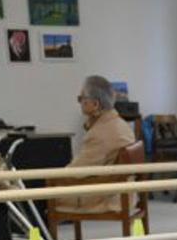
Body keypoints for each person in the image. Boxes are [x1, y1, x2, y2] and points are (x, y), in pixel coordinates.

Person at [57, 75, 136, 212]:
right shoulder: (120, 124)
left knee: (43, 193)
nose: (79, 102)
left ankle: (41, 233)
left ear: (95, 104)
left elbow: (76, 173)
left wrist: (52, 179)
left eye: (81, 99)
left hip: (108, 197)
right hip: (125, 193)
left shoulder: (100, 133)